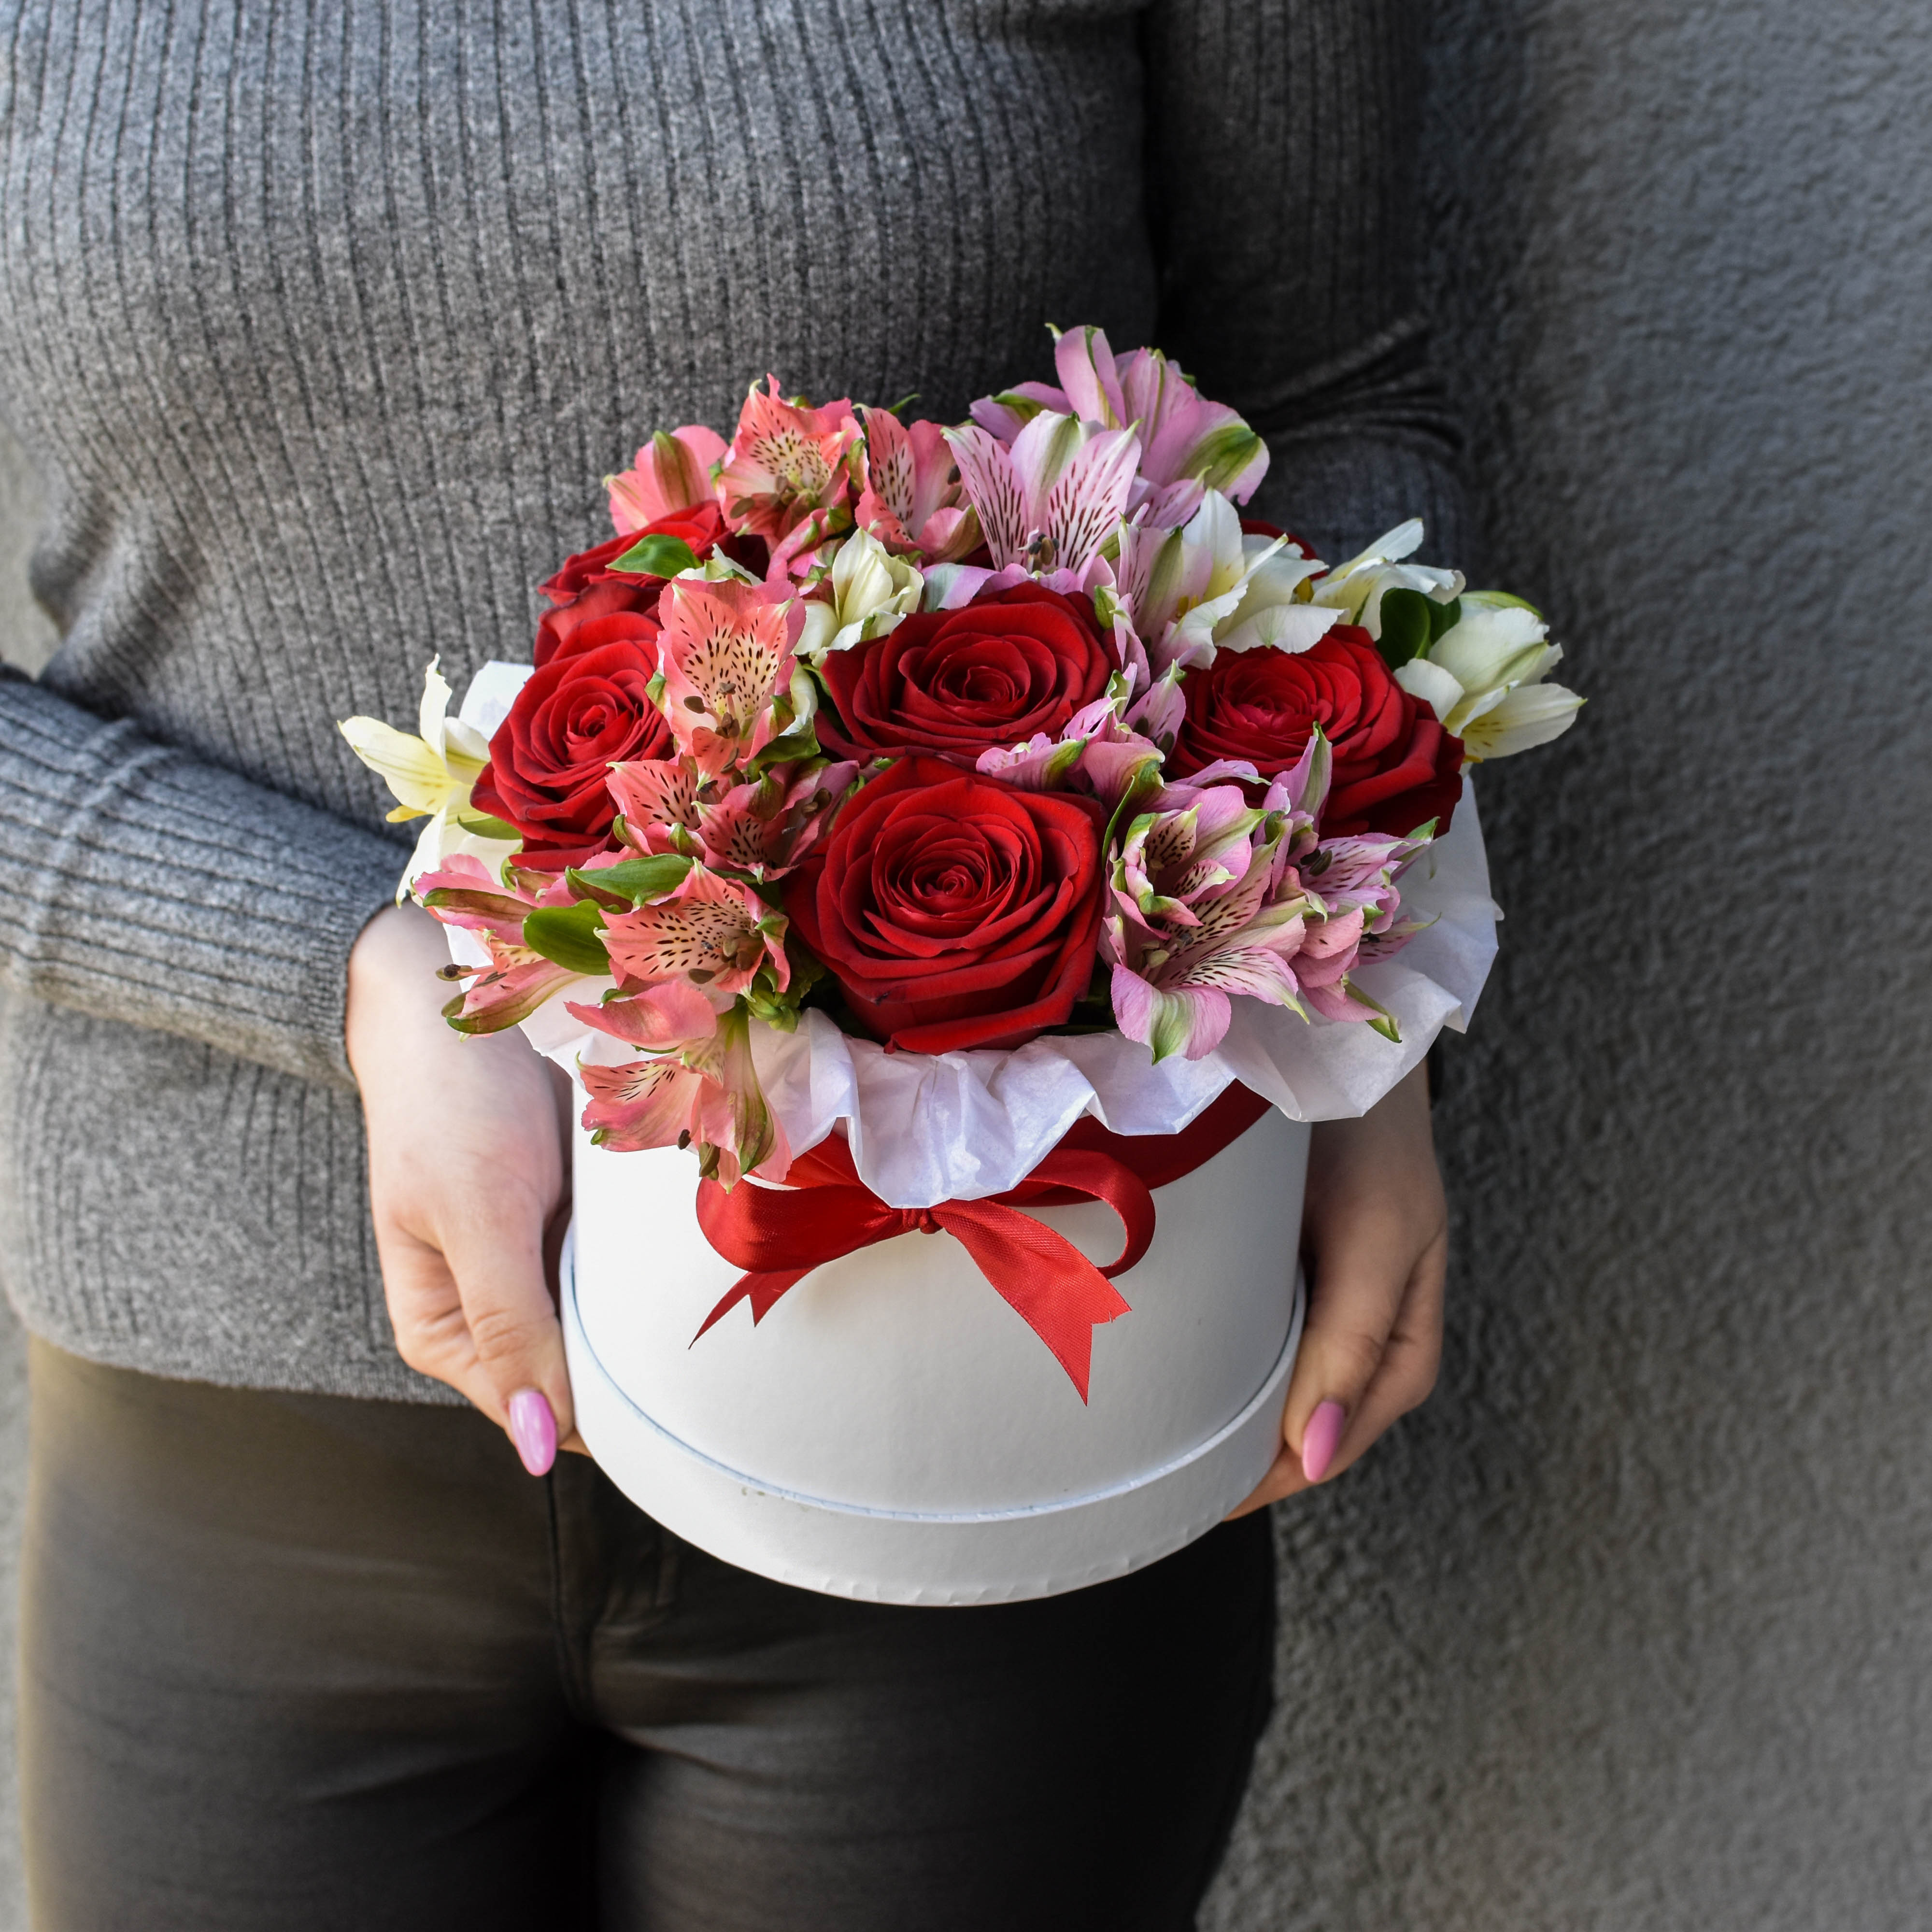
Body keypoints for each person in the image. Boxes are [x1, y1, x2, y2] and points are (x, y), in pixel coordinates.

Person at [0, 3, 1456, 1926]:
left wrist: (1349, 971)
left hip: (994, 1383)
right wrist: (351, 965)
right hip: (236, 1475)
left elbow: (1335, 403)